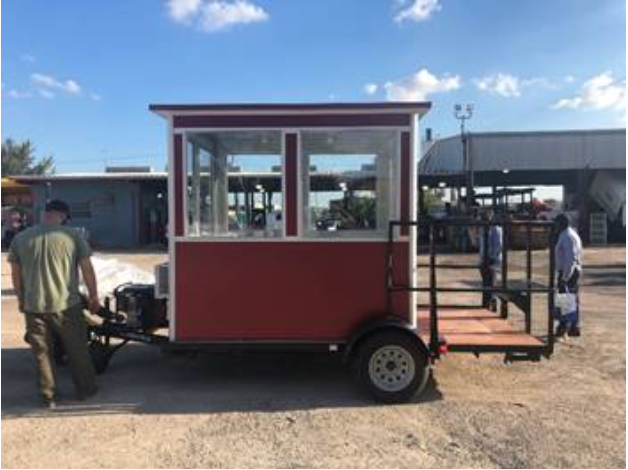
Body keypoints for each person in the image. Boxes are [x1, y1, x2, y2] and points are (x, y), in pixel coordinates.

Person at [8, 199, 101, 409]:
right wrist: (94, 296)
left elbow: (16, 274)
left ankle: (48, 397)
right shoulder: (73, 236)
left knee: (42, 353)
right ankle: (86, 389)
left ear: (45, 214)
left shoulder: (20, 238)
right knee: (77, 349)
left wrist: (21, 298)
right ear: (63, 216)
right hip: (67, 304)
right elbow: (87, 269)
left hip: (33, 305)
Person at [553, 213, 583, 338]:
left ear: (561, 223)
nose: (555, 226)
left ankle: (564, 326)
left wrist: (565, 277)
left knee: (566, 298)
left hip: (568, 271)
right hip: (571, 270)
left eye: (556, 223)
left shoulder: (567, 236)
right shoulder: (569, 234)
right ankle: (573, 327)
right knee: (571, 298)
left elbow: (570, 259)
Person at [478, 212, 503, 310]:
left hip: (492, 260)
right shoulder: (483, 230)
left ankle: (491, 302)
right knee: (486, 283)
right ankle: (486, 304)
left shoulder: (496, 229)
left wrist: (491, 258)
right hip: (484, 259)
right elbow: (481, 245)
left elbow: (498, 246)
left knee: (491, 282)